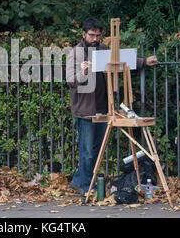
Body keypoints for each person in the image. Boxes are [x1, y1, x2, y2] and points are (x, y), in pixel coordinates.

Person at [66, 17, 158, 195]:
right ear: (83, 34)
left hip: (104, 107)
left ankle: (80, 181)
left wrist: (143, 62)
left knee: (97, 149)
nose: (95, 39)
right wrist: (82, 72)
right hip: (85, 111)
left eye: (98, 35)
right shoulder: (75, 53)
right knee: (87, 152)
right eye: (91, 35)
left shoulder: (102, 49)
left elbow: (120, 60)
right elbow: (70, 81)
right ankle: (86, 185)